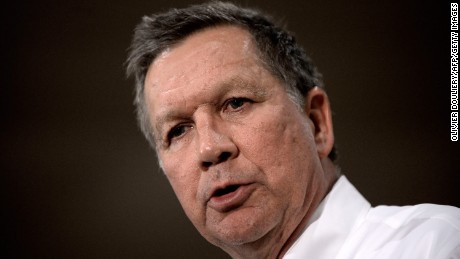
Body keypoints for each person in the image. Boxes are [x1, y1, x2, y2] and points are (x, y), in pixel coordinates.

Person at [126, 1, 460, 258]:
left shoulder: (433, 244)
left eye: (236, 103)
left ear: (316, 123)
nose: (209, 149)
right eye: (178, 131)